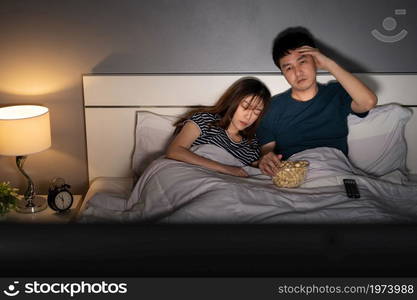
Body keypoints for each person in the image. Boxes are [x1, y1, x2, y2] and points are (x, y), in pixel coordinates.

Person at [257, 27, 378, 176]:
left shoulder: (337, 93)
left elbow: (368, 102)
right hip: (295, 177)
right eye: (289, 68)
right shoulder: (271, 108)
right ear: (283, 74)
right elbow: (267, 150)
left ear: (315, 61)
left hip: (335, 171)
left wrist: (329, 64)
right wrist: (267, 157)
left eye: (302, 62)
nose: (298, 72)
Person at [166, 77, 271, 178]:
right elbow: (174, 151)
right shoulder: (205, 120)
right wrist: (225, 169)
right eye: (245, 107)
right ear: (232, 100)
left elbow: (249, 172)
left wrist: (266, 163)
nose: (248, 116)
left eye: (257, 111)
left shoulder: (251, 144)